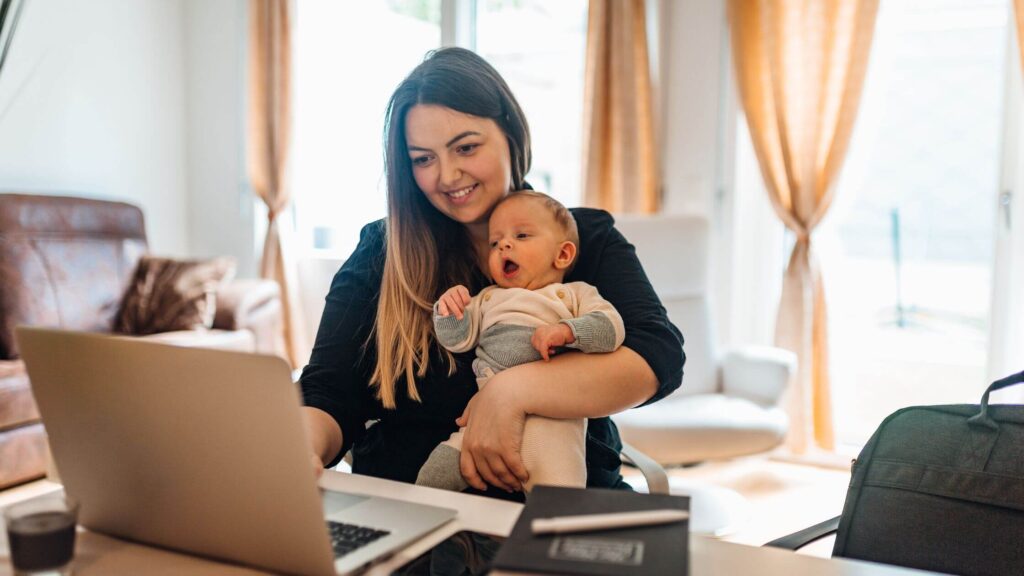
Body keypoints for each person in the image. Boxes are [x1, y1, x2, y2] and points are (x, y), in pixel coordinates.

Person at [299, 46, 684, 499]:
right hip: (416, 510)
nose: (447, 175)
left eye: (466, 147)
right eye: (423, 158)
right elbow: (328, 392)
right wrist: (299, 451)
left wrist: (510, 392)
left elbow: (656, 357)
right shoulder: (382, 251)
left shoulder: (582, 238)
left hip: (563, 507)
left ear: (511, 134)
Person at [417, 190, 625, 492]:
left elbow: (611, 329)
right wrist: (449, 309)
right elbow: (457, 340)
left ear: (563, 254)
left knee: (558, 501)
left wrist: (568, 331)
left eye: (522, 235)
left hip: (553, 420)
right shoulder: (488, 297)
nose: (504, 244)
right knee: (433, 477)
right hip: (485, 419)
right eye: (494, 242)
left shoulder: (575, 293)